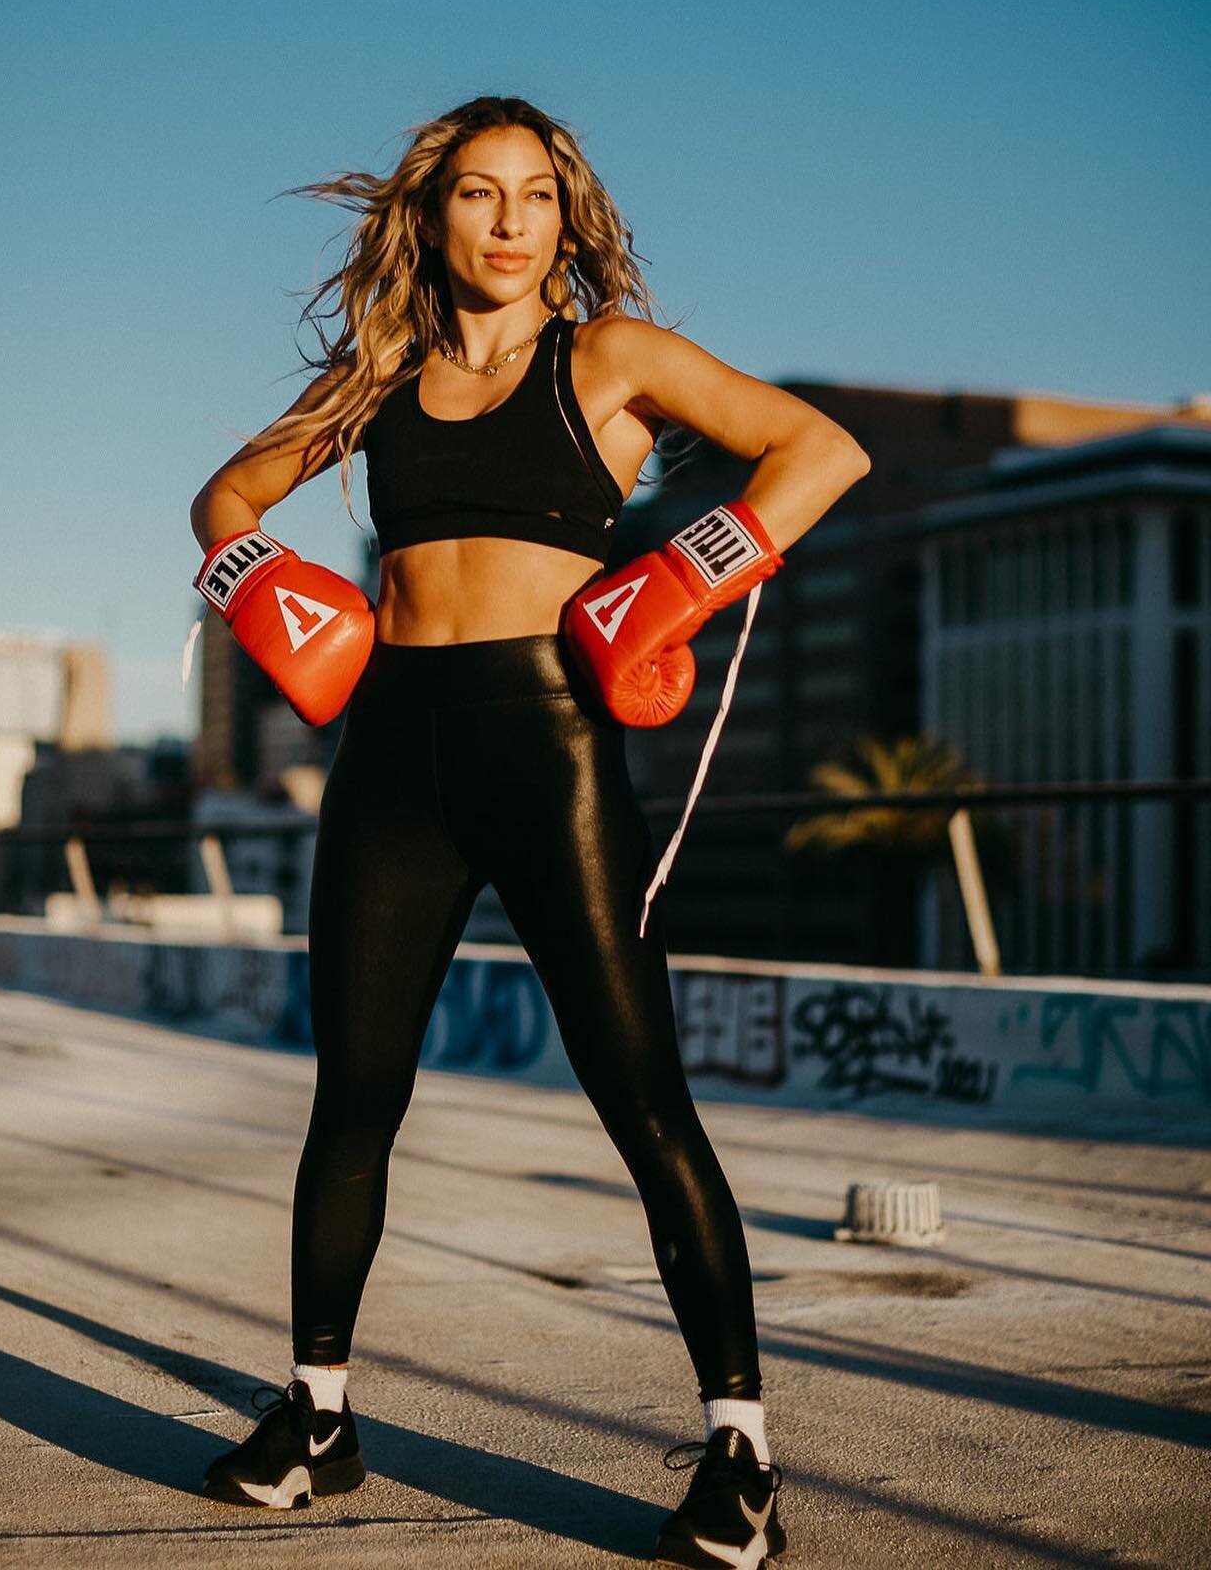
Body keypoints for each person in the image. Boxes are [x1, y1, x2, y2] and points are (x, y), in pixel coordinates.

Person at [188, 94, 870, 1567]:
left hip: (547, 742)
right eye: (479, 194)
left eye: (535, 197)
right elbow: (225, 489)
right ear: (433, 215)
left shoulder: (610, 359)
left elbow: (820, 451)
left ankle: (741, 1453)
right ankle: (318, 1415)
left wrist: (688, 571)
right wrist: (265, 581)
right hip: (394, 753)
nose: (507, 221)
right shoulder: (384, 375)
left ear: (568, 219)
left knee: (642, 1100)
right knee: (354, 1090)